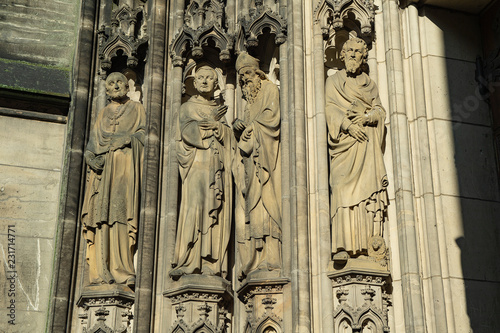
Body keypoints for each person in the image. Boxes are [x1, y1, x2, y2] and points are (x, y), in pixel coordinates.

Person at [325, 37, 389, 260]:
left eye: (358, 51)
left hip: (366, 145)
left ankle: (366, 245)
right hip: (345, 145)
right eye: (349, 50)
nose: (353, 54)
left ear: (364, 57)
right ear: (342, 55)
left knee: (366, 196)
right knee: (341, 190)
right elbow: (330, 109)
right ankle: (343, 245)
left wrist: (367, 116)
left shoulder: (370, 84)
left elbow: (380, 111)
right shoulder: (333, 82)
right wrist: (348, 125)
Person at [81, 72, 146, 288]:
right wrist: (91, 158)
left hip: (124, 169)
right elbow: (92, 145)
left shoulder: (137, 109)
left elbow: (145, 136)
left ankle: (121, 268)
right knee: (100, 218)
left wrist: (128, 139)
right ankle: (100, 270)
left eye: (120, 82)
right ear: (106, 90)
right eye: (111, 83)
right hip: (102, 175)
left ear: (127, 86)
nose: (116, 85)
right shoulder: (102, 114)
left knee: (120, 213)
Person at [170, 65, 233, 279]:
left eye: (209, 78)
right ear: (194, 83)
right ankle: (189, 259)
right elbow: (187, 133)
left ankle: (211, 262)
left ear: (216, 84)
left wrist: (220, 126)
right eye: (201, 78)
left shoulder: (220, 109)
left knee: (216, 209)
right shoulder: (187, 107)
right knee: (194, 208)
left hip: (217, 167)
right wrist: (211, 123)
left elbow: (228, 138)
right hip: (196, 166)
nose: (205, 81)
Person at [233, 52, 282, 280]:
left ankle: (272, 256)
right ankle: (255, 257)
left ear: (258, 73)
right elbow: (248, 124)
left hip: (267, 161)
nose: (244, 80)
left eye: (247, 74)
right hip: (251, 163)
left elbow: (272, 119)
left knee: (268, 204)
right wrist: (238, 125)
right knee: (253, 208)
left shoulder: (270, 90)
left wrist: (253, 128)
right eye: (241, 77)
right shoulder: (249, 102)